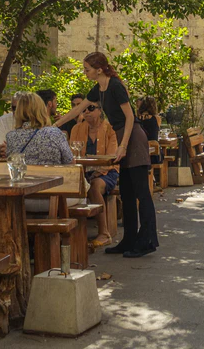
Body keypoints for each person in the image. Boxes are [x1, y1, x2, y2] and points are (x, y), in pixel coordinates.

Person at [56, 52, 158, 258]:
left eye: (87, 69)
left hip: (133, 139)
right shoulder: (98, 89)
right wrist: (52, 126)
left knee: (141, 193)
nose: (85, 73)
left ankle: (147, 241)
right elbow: (77, 111)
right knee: (127, 194)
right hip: (123, 138)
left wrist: (122, 145)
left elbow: (130, 118)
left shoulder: (115, 86)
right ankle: (129, 239)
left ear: (99, 69)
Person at [70, 101, 119, 248]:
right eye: (83, 109)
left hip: (107, 172)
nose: (86, 112)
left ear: (100, 110)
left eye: (90, 108)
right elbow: (72, 155)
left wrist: (97, 172)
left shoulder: (111, 129)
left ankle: (104, 233)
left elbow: (111, 157)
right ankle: (73, 234)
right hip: (83, 171)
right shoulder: (77, 128)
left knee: (94, 186)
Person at [5, 92, 73, 166]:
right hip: (52, 176)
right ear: (41, 109)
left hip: (24, 176)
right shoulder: (55, 133)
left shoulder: (11, 137)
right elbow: (70, 162)